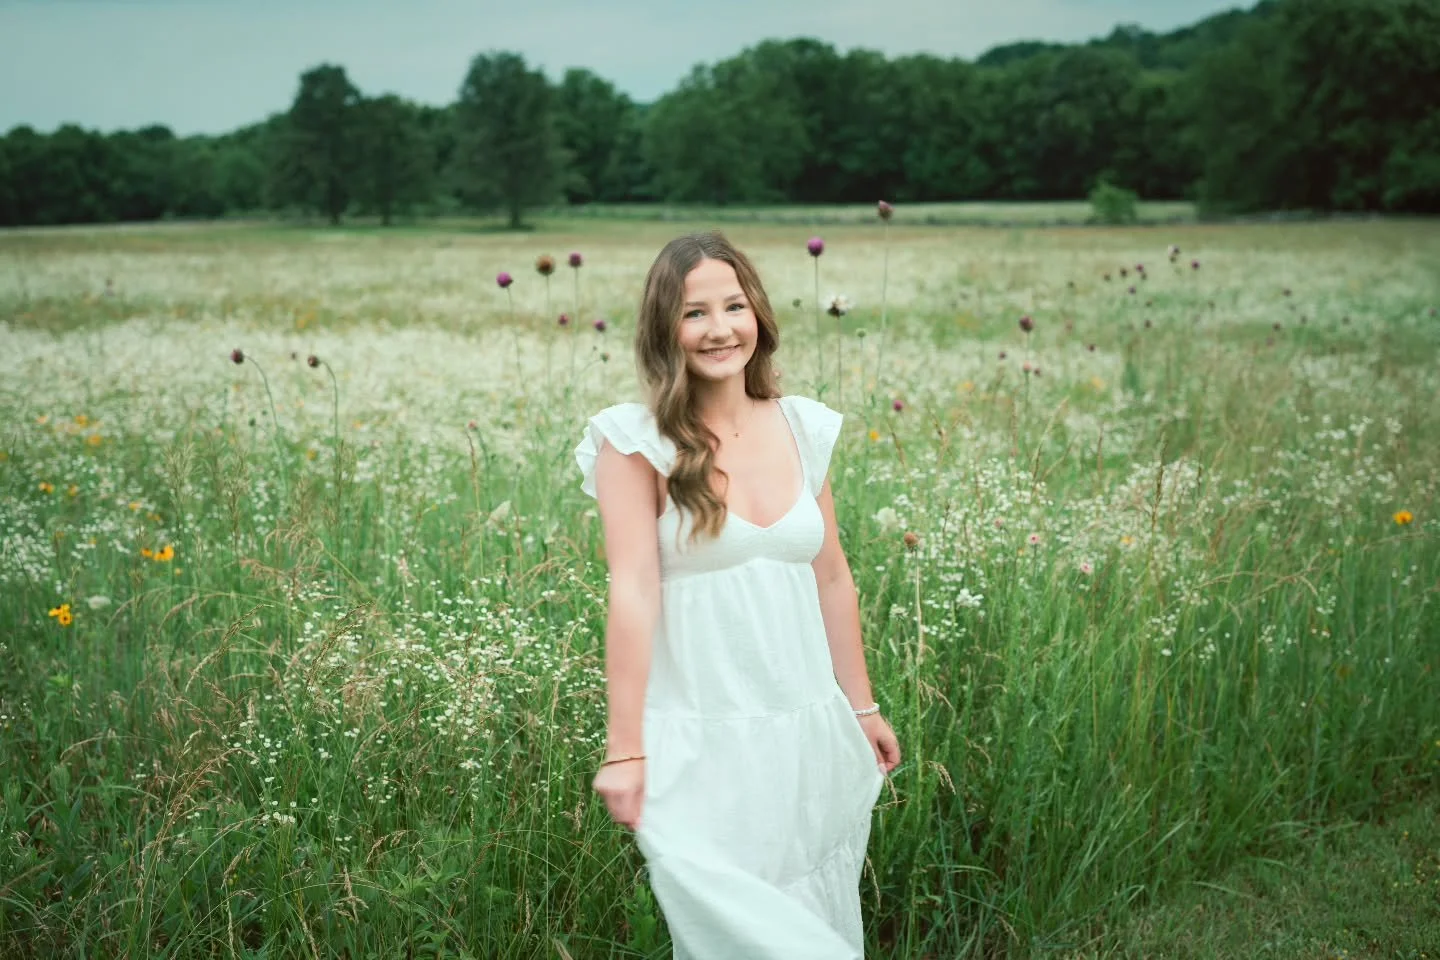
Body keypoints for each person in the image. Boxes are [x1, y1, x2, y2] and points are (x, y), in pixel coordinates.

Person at [575, 231, 901, 958]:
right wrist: (625, 751)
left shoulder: (802, 425)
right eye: (694, 313)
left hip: (803, 723)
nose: (719, 328)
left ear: (758, 311)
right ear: (665, 330)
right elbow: (630, 589)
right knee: (741, 927)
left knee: (810, 903)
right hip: (699, 735)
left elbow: (832, 574)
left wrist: (862, 705)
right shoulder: (634, 443)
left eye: (733, 304)